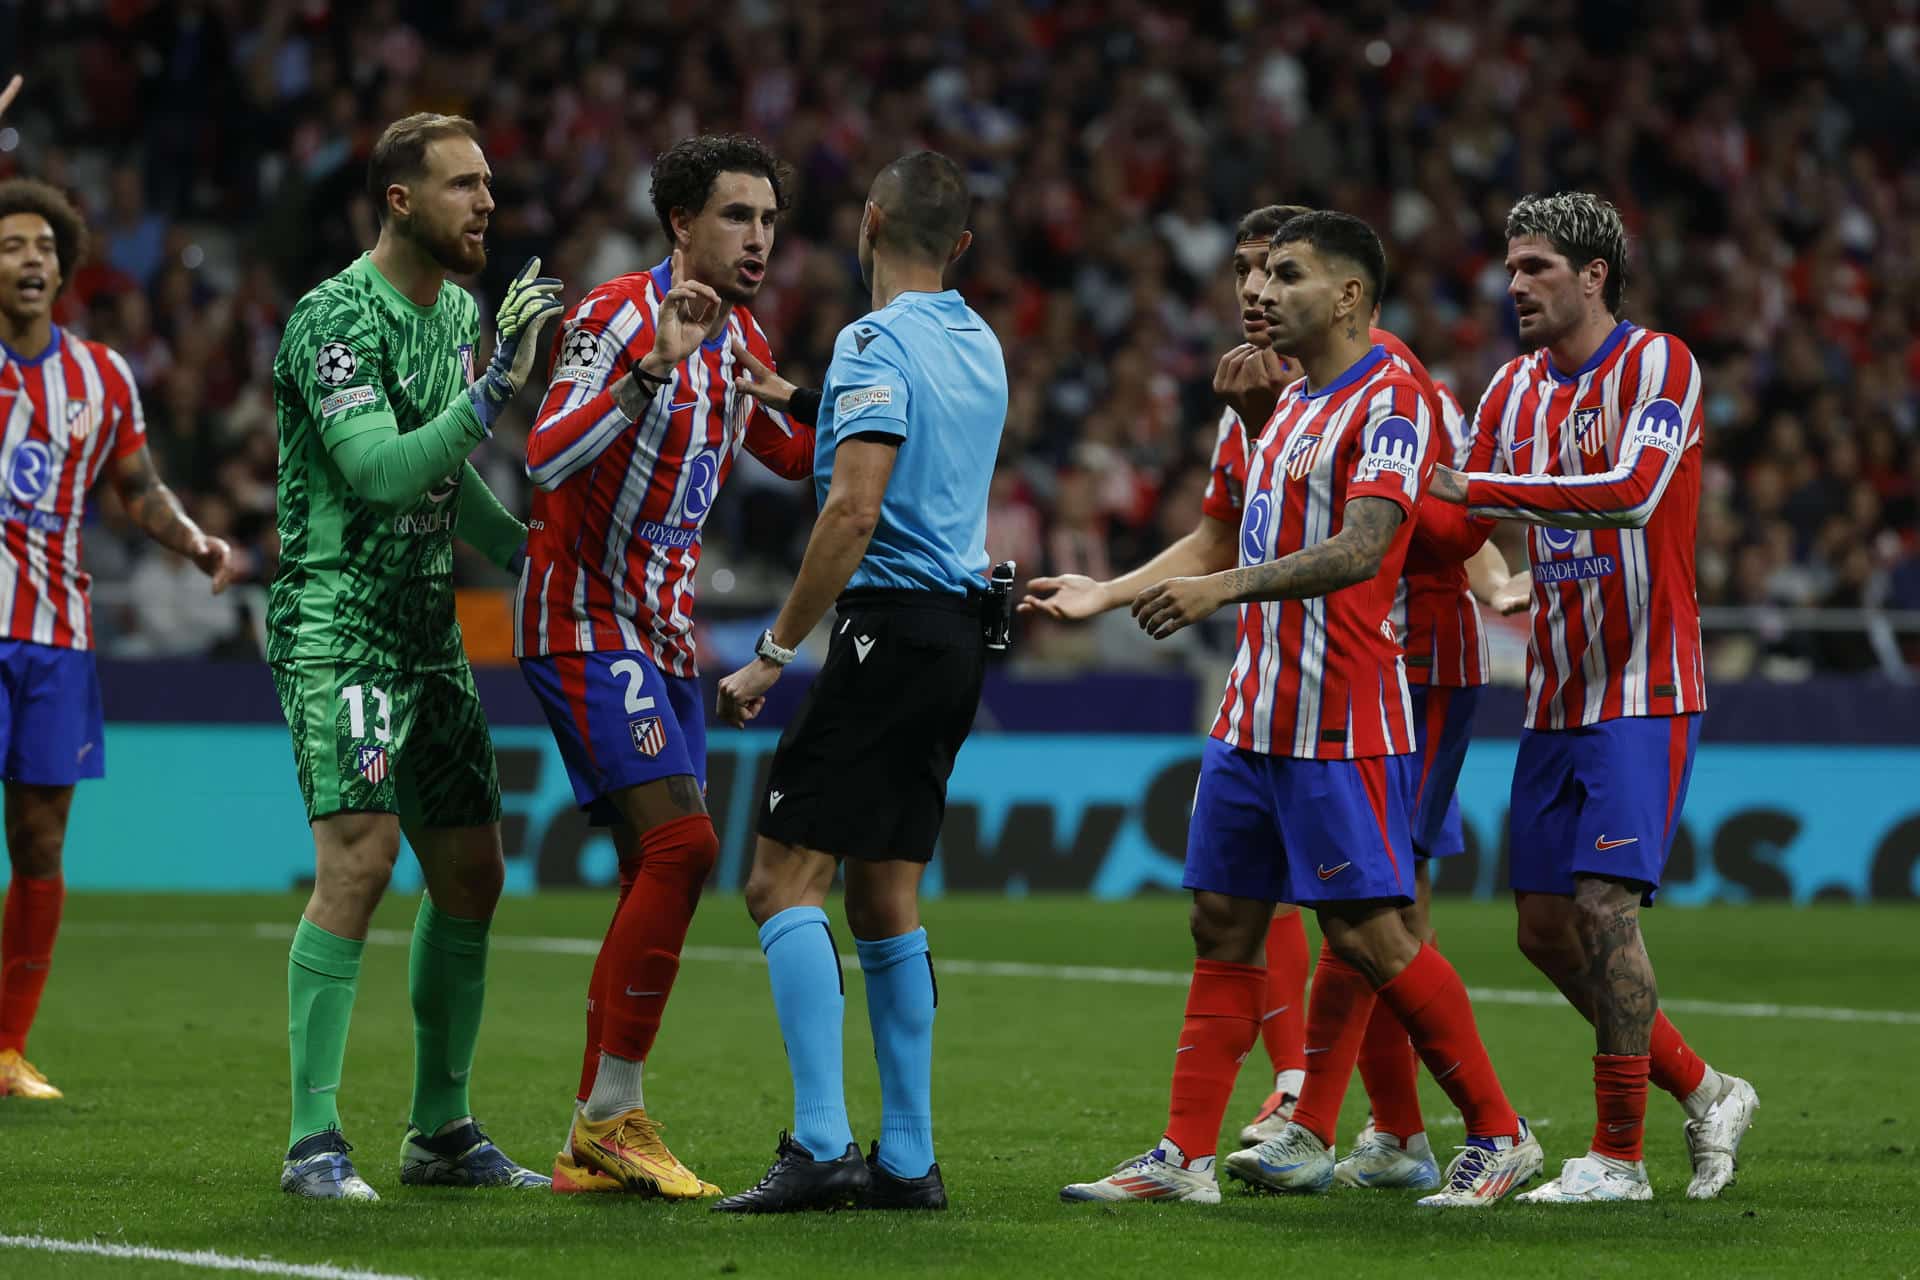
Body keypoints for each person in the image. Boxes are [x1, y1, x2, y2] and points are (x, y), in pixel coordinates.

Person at [1023, 205, 1523, 1177]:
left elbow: (1365, 545)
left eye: (1282, 274)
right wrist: (1111, 589)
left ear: (1346, 294)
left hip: (1344, 710)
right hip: (1254, 706)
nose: (1255, 290)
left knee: (1373, 932)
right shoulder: (1281, 405)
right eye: (1250, 273)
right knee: (1222, 917)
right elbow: (1227, 530)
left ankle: (1495, 1133)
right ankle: (1185, 1152)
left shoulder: (1393, 398)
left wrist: (1223, 589)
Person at [1426, 191, 1757, 1204]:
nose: (1512, 284)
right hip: (1556, 691)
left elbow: (1634, 490)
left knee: (1606, 906)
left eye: (1534, 267)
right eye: (1511, 266)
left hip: (1646, 684)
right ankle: (1707, 1086)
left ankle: (1619, 1154)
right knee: (1542, 926)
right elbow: (1451, 511)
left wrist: (1478, 493)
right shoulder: (1511, 390)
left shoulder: (1660, 363)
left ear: (1593, 275)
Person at [267, 112, 562, 1199]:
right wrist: (495, 395)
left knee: (473, 867)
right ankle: (312, 1140)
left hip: (428, 624)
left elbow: (447, 482)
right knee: (359, 853)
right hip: (339, 617)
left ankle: (441, 1131)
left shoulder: (460, 314)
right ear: (401, 199)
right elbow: (384, 472)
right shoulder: (332, 320)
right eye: (463, 185)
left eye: (490, 182)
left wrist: (525, 549)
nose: (488, 201)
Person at [709, 150, 1007, 1213]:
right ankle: (910, 1158)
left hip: (887, 630)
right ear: (960, 245)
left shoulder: (872, 340)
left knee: (779, 879)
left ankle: (825, 1142)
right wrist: (791, 392)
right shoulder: (979, 341)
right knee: (885, 893)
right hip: (961, 639)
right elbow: (908, 435)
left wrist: (773, 652)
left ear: (869, 223)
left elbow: (854, 506)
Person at [517, 133, 812, 1199]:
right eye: (739, 216)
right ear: (681, 222)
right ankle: (609, 1116)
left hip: (663, 633)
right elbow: (545, 452)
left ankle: (597, 1131)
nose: (759, 238)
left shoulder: (743, 338)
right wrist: (654, 369)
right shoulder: (614, 316)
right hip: (583, 616)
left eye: (770, 220)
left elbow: (796, 457)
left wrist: (855, 412)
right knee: (684, 846)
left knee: (667, 864)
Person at [0, 178, 234, 1100]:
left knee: (42, 840)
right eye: (12, 243)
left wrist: (192, 537)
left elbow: (136, 486)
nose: (30, 260)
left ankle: (7, 1049)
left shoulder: (100, 375)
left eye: (44, 248)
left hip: (56, 636)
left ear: (65, 267)